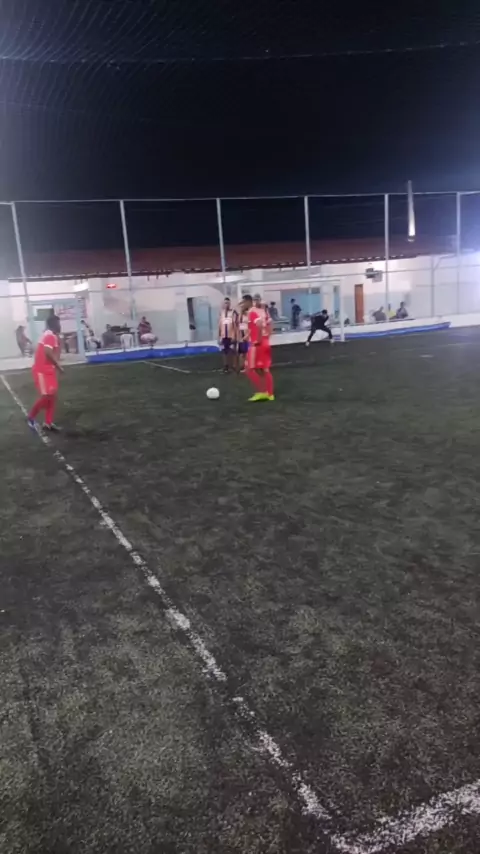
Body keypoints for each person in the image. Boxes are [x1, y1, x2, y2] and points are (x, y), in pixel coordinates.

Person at [27, 315, 64, 433]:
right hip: (42, 371)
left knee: (52, 396)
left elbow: (55, 352)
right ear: (54, 324)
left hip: (48, 370)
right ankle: (31, 417)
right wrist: (58, 366)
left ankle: (48, 423)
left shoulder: (51, 335)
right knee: (46, 397)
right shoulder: (50, 336)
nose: (60, 326)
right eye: (58, 323)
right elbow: (47, 352)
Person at [243, 293, 274, 402]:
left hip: (257, 344)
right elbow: (270, 324)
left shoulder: (252, 312)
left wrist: (258, 339)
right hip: (265, 342)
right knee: (263, 369)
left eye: (243, 302)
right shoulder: (264, 311)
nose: (242, 305)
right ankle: (270, 393)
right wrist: (267, 336)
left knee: (248, 369)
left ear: (249, 302)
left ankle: (262, 392)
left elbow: (259, 324)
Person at [218, 297, 237, 373]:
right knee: (224, 351)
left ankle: (233, 366)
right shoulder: (221, 313)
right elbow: (219, 325)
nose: (226, 304)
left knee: (232, 351)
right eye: (225, 303)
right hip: (223, 336)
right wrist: (219, 336)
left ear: (230, 304)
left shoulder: (233, 312)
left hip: (231, 335)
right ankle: (226, 366)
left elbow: (235, 325)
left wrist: (234, 335)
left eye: (228, 303)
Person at [236, 301, 249, 373]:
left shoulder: (248, 314)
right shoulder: (238, 316)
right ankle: (242, 366)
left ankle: (248, 366)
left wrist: (247, 335)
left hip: (247, 335)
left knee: (247, 352)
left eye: (242, 307)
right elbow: (237, 326)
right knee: (241, 353)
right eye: (240, 307)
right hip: (241, 336)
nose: (241, 308)